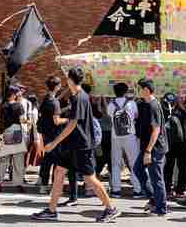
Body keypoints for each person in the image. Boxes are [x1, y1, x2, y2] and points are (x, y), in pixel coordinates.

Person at [31, 68, 121, 223]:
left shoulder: (80, 97)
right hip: (72, 144)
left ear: (70, 80)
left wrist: (54, 142)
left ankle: (110, 209)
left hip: (80, 145)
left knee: (90, 178)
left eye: (67, 79)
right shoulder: (76, 96)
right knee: (59, 172)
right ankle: (52, 210)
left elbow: (73, 124)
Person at [132, 78, 168, 216]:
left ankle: (161, 209)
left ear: (146, 90)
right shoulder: (145, 104)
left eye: (139, 88)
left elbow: (156, 130)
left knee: (156, 178)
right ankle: (153, 199)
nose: (137, 91)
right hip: (147, 147)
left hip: (154, 148)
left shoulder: (153, 105)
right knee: (138, 170)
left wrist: (148, 151)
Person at [107, 82, 142, 198]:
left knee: (116, 163)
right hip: (130, 135)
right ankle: (137, 189)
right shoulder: (131, 103)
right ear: (126, 91)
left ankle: (116, 190)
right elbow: (136, 116)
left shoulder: (111, 105)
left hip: (115, 136)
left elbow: (109, 115)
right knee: (134, 162)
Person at [0, 85, 27, 193]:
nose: (18, 94)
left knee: (4, 159)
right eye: (17, 92)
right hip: (17, 132)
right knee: (18, 160)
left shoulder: (3, 106)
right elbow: (23, 120)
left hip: (6, 132)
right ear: (13, 94)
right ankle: (18, 183)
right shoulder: (19, 105)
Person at [37, 76, 63, 194]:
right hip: (54, 135)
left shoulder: (46, 99)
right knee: (56, 161)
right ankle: (54, 187)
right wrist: (68, 120)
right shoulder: (55, 102)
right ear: (57, 86)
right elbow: (56, 120)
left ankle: (43, 185)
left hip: (45, 134)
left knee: (47, 160)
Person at [164, 95, 186, 199]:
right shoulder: (185, 111)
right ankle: (179, 190)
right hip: (182, 143)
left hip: (171, 143)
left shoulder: (167, 110)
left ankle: (168, 190)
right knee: (182, 168)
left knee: (169, 167)